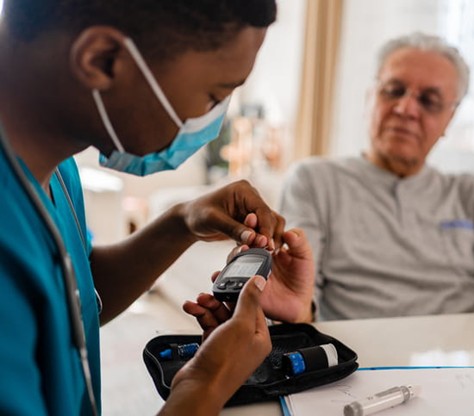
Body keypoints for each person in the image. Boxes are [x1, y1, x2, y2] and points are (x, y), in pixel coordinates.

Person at [0, 1, 314, 415]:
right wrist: (204, 384)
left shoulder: (54, 165)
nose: (211, 121)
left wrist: (182, 222)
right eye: (214, 96)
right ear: (102, 60)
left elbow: (73, 296)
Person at [278, 32, 474, 360]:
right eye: (394, 90)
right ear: (370, 97)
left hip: (469, 368)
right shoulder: (315, 181)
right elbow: (300, 295)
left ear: (449, 119)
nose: (405, 109)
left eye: (428, 100)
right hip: (355, 365)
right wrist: (298, 312)